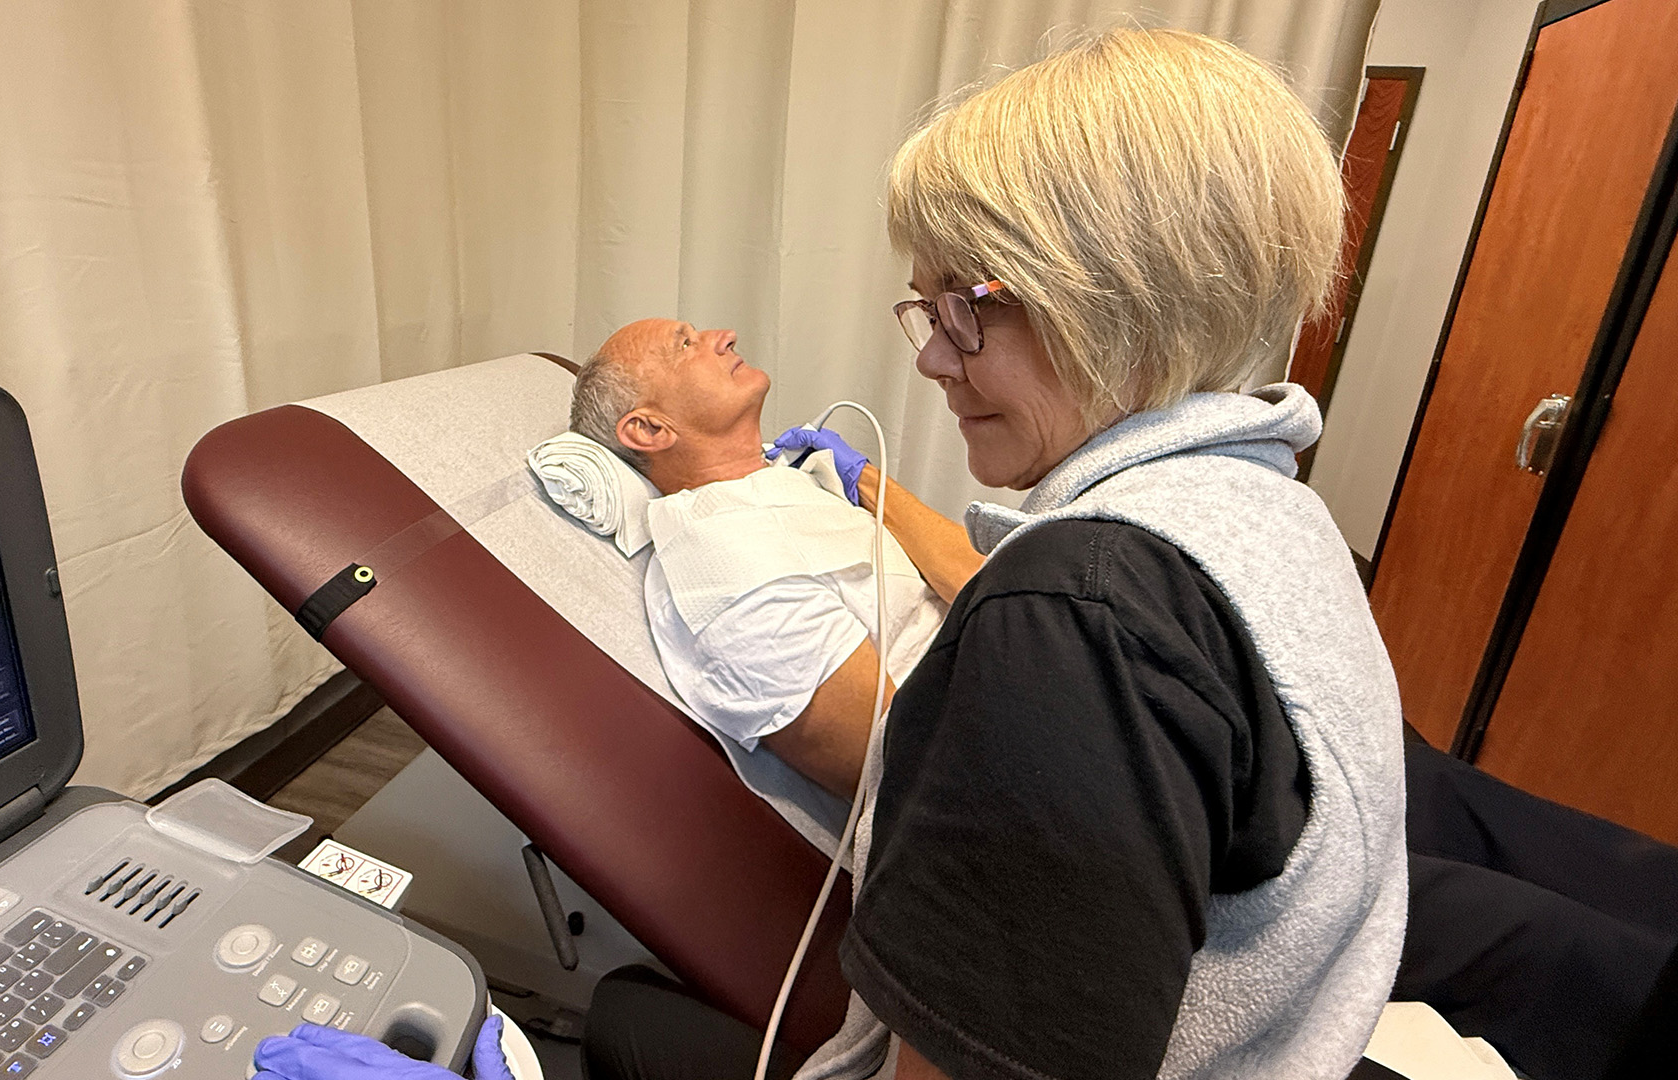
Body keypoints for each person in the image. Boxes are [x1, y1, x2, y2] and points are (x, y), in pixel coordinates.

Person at [265, 26, 1404, 1080]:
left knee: (631, 1024)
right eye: (678, 343)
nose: (929, 360)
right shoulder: (1259, 502)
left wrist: (876, 499)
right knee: (630, 1013)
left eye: (955, 309)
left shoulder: (1073, 614)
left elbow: (1030, 669)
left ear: (1095, 293)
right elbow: (914, 753)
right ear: (646, 432)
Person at [564, 317, 956, 802]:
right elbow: (911, 772)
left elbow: (979, 581)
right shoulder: (720, 564)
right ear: (648, 429)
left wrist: (871, 484)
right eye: (686, 345)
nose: (724, 335)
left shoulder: (791, 482)